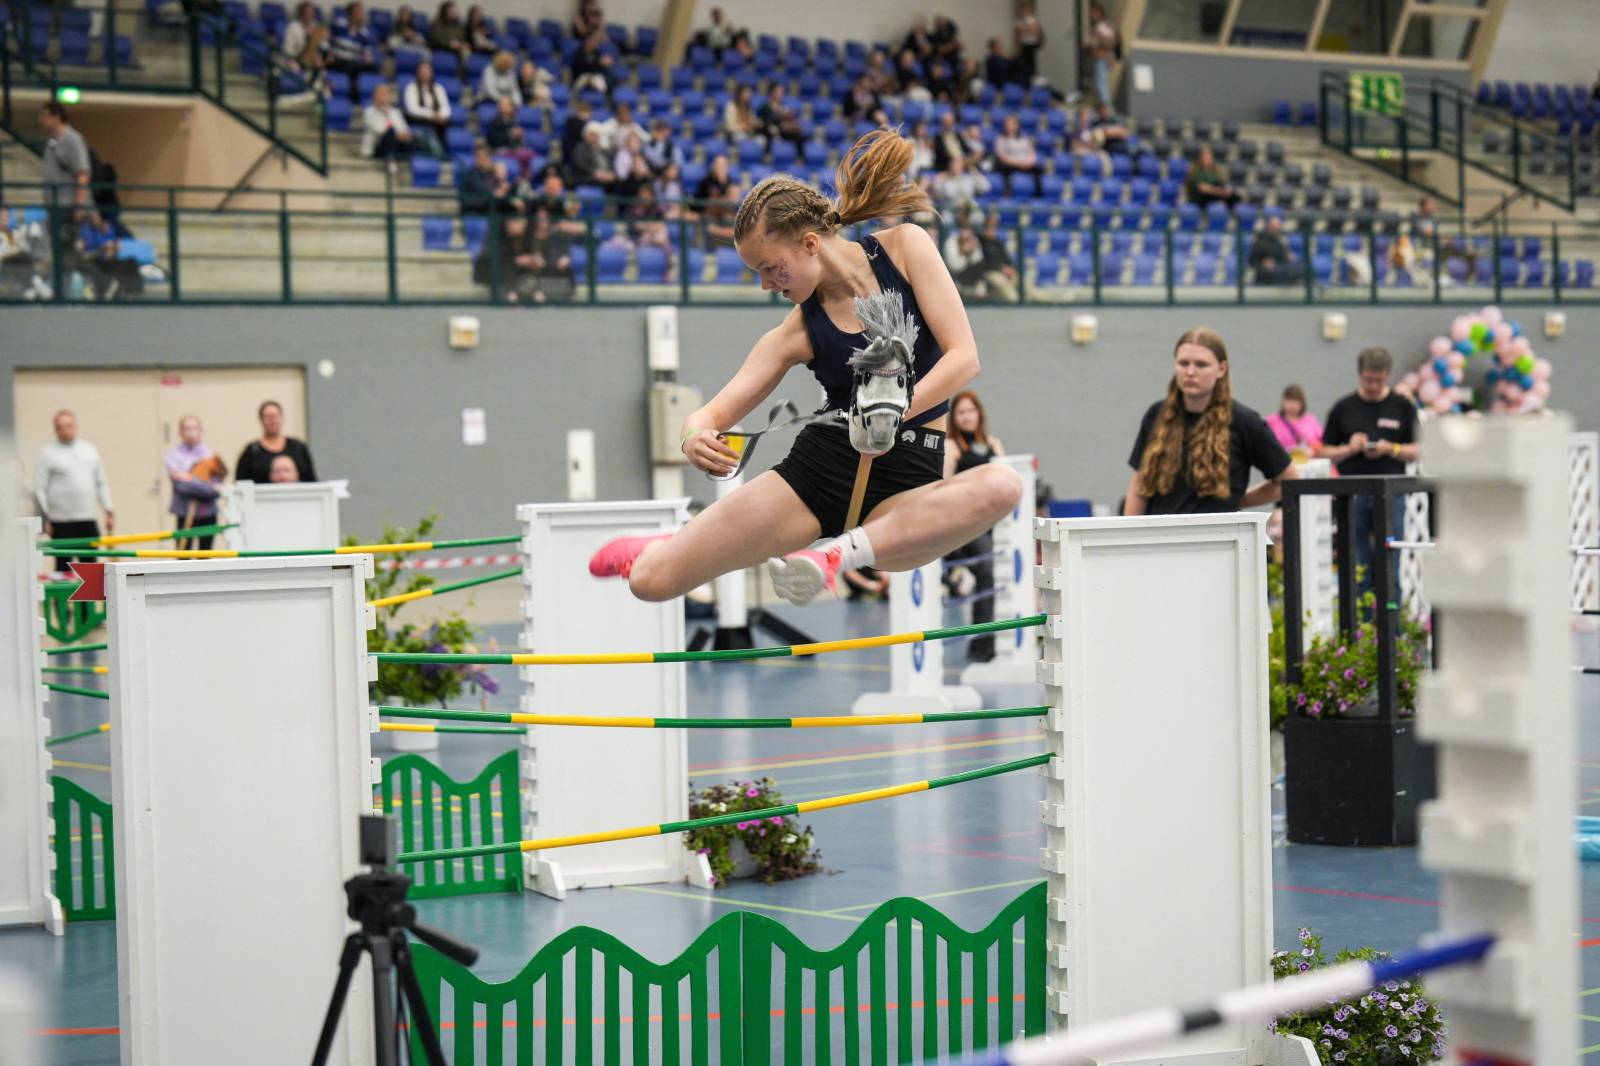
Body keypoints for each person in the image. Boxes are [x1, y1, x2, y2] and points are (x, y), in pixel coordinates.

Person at [587, 130, 1022, 607]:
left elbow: (964, 356)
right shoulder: (796, 332)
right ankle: (670, 545)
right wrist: (694, 438)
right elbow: (709, 415)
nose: (765, 285)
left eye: (771, 268)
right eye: (758, 273)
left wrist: (891, 410)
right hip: (817, 478)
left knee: (1003, 485)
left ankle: (834, 557)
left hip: (906, 488)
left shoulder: (905, 249)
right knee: (650, 582)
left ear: (811, 243)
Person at [1124, 327, 1297, 516]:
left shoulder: (1245, 422)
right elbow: (1138, 489)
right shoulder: (1156, 414)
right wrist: (1127, 538)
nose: (1190, 372)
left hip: (1219, 538)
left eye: (1201, 364)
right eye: (1183, 363)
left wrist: (1240, 500)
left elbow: (1290, 481)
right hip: (1162, 536)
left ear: (1221, 369)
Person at [1319, 347, 1420, 601]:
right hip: (1353, 491)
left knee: (1389, 559)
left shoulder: (1402, 407)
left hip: (1391, 490)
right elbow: (1322, 450)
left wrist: (1391, 448)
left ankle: (1393, 630)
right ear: (1359, 375)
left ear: (1388, 375)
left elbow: (1420, 449)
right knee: (1357, 563)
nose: (1373, 386)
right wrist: (1349, 448)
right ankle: (1360, 628)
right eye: (1367, 380)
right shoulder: (1344, 407)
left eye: (1379, 380)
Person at [943, 390, 1005, 661]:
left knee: (987, 576)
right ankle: (983, 643)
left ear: (979, 413)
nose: (967, 416)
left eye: (971, 411)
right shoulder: (952, 447)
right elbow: (943, 488)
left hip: (992, 522)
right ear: (954, 418)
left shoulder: (993, 444)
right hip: (964, 524)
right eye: (961, 412)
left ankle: (984, 641)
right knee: (986, 572)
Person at [35, 410, 114, 572]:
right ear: (55, 429)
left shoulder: (90, 449)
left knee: (91, 569)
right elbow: (40, 489)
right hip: (60, 522)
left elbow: (101, 483)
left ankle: (88, 599)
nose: (65, 430)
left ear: (75, 426)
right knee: (63, 568)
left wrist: (108, 509)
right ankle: (63, 599)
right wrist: (45, 518)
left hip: (87, 519)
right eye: (60, 427)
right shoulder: (47, 453)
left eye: (68, 425)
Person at [166, 415, 226, 550]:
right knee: (183, 556)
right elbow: (181, 487)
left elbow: (215, 489)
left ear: (201, 431)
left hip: (208, 513)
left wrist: (188, 477)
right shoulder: (173, 456)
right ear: (180, 432)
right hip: (185, 513)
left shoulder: (210, 456)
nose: (191, 432)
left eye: (194, 428)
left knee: (205, 557)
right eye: (187, 428)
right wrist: (202, 483)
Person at [236, 401, 316, 483]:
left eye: (276, 415)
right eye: (268, 416)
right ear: (261, 420)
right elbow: (241, 483)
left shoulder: (298, 447)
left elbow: (312, 481)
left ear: (282, 417)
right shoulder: (252, 451)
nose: (273, 420)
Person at [39, 102, 91, 221]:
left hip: (68, 207)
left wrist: (79, 206)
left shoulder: (73, 140)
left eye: (44, 116)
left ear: (56, 117)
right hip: (53, 206)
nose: (41, 120)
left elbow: (82, 174)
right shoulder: (50, 141)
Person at [327, 1, 379, 98]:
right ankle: (353, 96)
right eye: (358, 12)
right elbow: (326, 39)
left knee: (373, 67)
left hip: (354, 63)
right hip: (337, 60)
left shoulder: (364, 32)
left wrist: (368, 58)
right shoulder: (339, 24)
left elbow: (367, 52)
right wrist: (329, 53)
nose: (361, 15)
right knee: (350, 66)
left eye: (361, 13)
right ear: (350, 14)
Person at [402, 62, 451, 157]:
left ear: (431, 73)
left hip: (437, 120)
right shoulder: (411, 87)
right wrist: (432, 115)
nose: (425, 73)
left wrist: (441, 115)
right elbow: (412, 109)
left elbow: (446, 107)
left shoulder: (438, 88)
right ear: (418, 72)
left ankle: (442, 153)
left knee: (444, 123)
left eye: (427, 70)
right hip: (418, 119)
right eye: (422, 71)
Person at [1265, 384, 1323, 463]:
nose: (1292, 405)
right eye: (1289, 400)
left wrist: (1313, 450)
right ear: (1283, 401)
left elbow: (1322, 442)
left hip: (1307, 465)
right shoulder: (1272, 421)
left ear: (1302, 403)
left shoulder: (1311, 420)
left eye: (1296, 401)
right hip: (1283, 465)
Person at [360, 84, 414, 166]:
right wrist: (399, 135)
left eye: (387, 94)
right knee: (390, 133)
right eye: (381, 94)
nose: (384, 96)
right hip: (377, 147)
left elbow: (404, 129)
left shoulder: (395, 112)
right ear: (374, 96)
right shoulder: (369, 112)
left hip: (397, 144)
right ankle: (391, 161)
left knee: (411, 138)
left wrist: (404, 135)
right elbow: (380, 130)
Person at [992, 114, 1038, 191]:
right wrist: (1019, 164)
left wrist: (1029, 163)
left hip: (1025, 164)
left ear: (1017, 125)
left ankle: (1038, 195)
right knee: (1005, 170)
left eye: (1012, 124)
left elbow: (1032, 153)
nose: (1009, 126)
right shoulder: (1000, 139)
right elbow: (1002, 157)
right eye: (1007, 124)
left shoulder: (1025, 138)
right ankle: (1008, 192)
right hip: (1010, 165)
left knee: (1038, 171)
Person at [1248, 214, 1298, 285]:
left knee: (1298, 267)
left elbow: (1283, 258)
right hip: (1265, 276)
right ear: (1269, 227)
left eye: (1278, 228)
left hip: (1281, 271)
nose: (1277, 231)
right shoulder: (1260, 243)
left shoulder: (1280, 243)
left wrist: (1288, 257)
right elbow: (1252, 262)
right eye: (1274, 228)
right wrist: (1263, 264)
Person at [1186, 145, 1238, 210]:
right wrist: (1219, 191)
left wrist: (1227, 190)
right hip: (1200, 198)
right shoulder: (1196, 172)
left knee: (1233, 196)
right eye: (1206, 157)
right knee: (1218, 199)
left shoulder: (1215, 172)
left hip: (1215, 195)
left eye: (1210, 156)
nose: (1209, 159)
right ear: (1201, 159)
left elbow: (1222, 184)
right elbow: (1202, 188)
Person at [1014, 1, 1044, 82]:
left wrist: (1025, 29)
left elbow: (1034, 30)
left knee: (1031, 62)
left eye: (1026, 9)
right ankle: (1026, 77)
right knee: (1024, 63)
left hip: (1031, 43)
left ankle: (1033, 77)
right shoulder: (1019, 20)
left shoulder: (1032, 19)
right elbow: (1017, 32)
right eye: (1023, 10)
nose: (1024, 11)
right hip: (1024, 43)